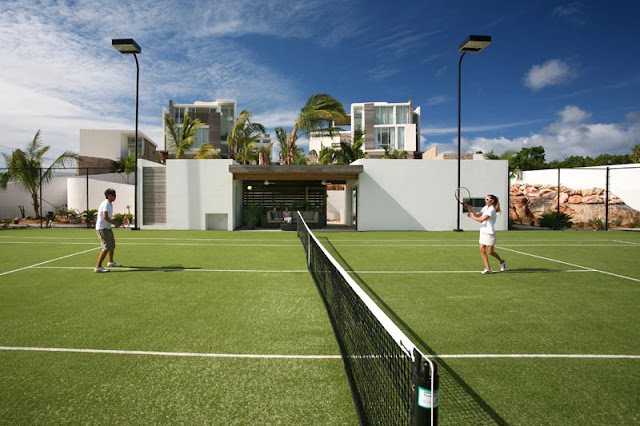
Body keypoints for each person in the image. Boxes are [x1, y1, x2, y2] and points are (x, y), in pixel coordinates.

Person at [466, 194, 506, 275]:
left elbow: (481, 220)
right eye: (485, 199)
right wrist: (472, 209)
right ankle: (488, 269)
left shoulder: (491, 210)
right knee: (481, 249)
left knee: (491, 252)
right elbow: (478, 215)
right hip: (483, 231)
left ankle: (502, 261)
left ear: (492, 201)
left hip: (490, 232)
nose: (486, 200)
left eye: (487, 199)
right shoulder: (485, 207)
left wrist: (470, 216)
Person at [94, 188, 122, 273]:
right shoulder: (106, 204)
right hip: (102, 229)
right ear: (108, 195)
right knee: (106, 248)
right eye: (113, 195)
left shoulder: (109, 204)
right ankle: (98, 267)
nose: (115, 197)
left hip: (107, 228)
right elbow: (105, 216)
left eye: (115, 195)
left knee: (112, 246)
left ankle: (111, 262)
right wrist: (115, 223)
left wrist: (114, 222)